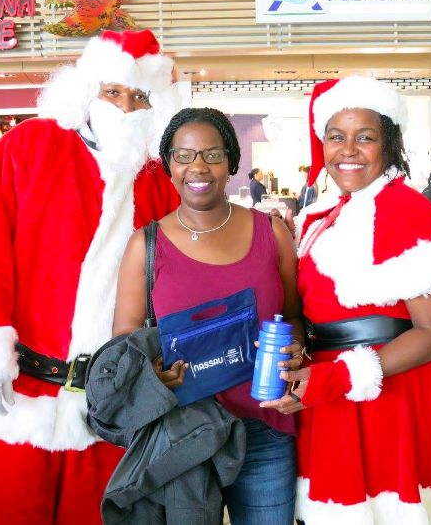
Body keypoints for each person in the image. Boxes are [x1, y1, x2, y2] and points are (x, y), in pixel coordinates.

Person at [0, 29, 181, 525]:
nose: (125, 106)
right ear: (84, 89)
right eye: (113, 91)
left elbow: (174, 281)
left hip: (111, 404)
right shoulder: (25, 148)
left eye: (139, 97)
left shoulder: (158, 178)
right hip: (22, 395)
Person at [260, 77, 431, 524]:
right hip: (330, 396)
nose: (348, 149)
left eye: (365, 138)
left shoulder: (408, 211)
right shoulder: (322, 215)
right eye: (336, 136)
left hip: (399, 396)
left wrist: (337, 378)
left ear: (388, 145)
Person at [114, 107, 305, 524]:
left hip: (265, 429)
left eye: (212, 155)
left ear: (232, 163)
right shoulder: (145, 246)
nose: (197, 167)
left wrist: (296, 359)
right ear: (169, 166)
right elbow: (125, 344)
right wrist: (153, 377)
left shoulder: (271, 233)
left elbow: (295, 318)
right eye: (183, 156)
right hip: (182, 434)